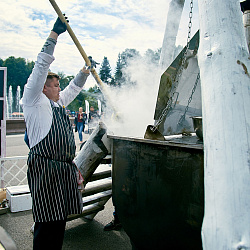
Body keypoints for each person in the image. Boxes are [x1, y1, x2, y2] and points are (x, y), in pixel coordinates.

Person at [20, 16, 89, 250]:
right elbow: (41, 67)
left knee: (59, 222)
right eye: (56, 85)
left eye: (59, 85)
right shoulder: (33, 100)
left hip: (62, 170)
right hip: (45, 168)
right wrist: (54, 35)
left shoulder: (58, 104)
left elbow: (74, 88)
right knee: (45, 223)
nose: (60, 88)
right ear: (43, 87)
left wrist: (85, 71)